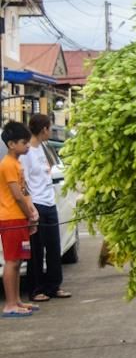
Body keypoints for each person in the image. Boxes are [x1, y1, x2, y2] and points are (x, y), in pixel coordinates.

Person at [22, 114, 70, 302]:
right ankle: (36, 289)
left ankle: (54, 286)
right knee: (36, 250)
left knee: (53, 246)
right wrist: (30, 208)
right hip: (37, 204)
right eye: (49, 128)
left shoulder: (43, 147)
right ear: (44, 129)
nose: (50, 131)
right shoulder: (26, 153)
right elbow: (23, 182)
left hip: (50, 202)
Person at [0, 121, 39, 316]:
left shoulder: (17, 163)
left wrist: (31, 213)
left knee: (19, 260)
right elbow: (16, 196)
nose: (28, 146)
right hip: (11, 219)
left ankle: (16, 301)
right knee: (12, 261)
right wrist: (29, 214)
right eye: (24, 142)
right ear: (11, 144)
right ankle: (9, 305)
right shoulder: (7, 165)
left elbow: (24, 192)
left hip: (20, 218)